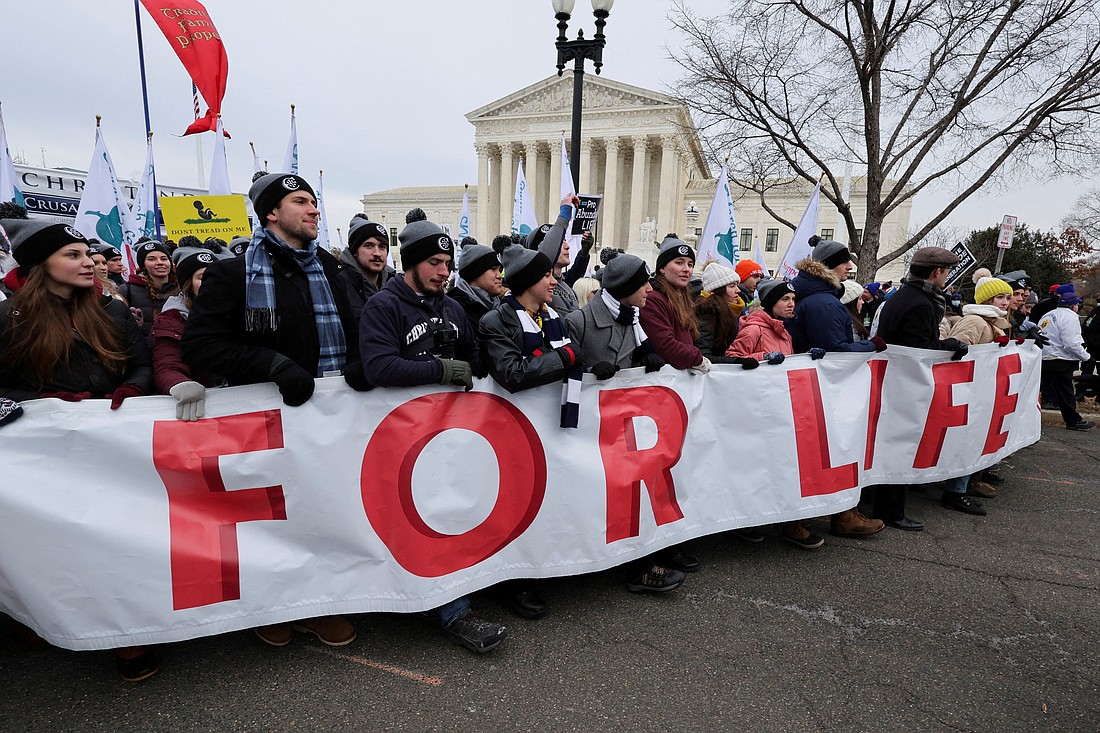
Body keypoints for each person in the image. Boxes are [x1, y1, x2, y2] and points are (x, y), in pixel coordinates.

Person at [181, 172, 367, 648]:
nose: (313, 210)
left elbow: (358, 330)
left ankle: (321, 605)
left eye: (315, 202)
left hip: (332, 421)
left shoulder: (335, 269)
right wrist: (271, 363)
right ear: (270, 213)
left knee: (327, 512)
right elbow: (201, 348)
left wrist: (360, 364)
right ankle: (270, 604)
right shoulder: (233, 273)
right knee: (274, 523)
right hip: (269, 422)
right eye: (301, 201)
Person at [0, 212, 156, 682]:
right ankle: (44, 620)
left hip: (114, 445)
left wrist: (132, 389)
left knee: (119, 537)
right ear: (39, 265)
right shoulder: (9, 318)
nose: (89, 262)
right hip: (49, 456)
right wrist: (42, 402)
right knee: (64, 545)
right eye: (73, 255)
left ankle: (130, 637)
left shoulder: (109, 310)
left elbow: (142, 365)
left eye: (87, 253)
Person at [358, 215, 509, 649]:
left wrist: (480, 364)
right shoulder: (384, 306)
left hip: (450, 436)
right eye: (436, 263)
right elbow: (378, 366)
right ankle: (452, 611)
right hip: (402, 440)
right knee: (424, 521)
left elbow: (473, 355)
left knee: (457, 513)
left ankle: (461, 594)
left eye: (448, 263)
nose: (445, 272)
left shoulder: (453, 306)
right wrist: (439, 369)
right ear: (412, 264)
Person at [563, 253, 687, 592]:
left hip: (625, 426)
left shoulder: (634, 319)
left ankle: (640, 565)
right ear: (625, 288)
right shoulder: (580, 322)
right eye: (643, 283)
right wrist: (587, 372)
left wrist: (644, 359)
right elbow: (563, 373)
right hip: (590, 431)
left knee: (634, 493)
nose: (649, 288)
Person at [787, 236, 886, 538]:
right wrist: (871, 346)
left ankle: (836, 512)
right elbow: (835, 351)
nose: (850, 267)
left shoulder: (818, 298)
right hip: (824, 388)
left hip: (816, 387)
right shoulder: (823, 302)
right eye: (845, 261)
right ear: (830, 266)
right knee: (831, 450)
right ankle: (833, 516)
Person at [874, 246, 982, 520]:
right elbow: (921, 348)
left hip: (895, 379)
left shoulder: (902, 297)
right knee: (902, 443)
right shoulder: (921, 303)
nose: (947, 278)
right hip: (906, 383)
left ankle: (888, 505)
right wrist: (949, 344)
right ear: (937, 272)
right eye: (946, 272)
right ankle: (891, 511)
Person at [727, 278, 826, 550]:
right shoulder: (754, 329)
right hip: (758, 408)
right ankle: (748, 522)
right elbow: (732, 359)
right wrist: (762, 358)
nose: (791, 304)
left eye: (793, 300)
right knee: (760, 465)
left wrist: (807, 358)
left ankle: (789, 523)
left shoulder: (785, 331)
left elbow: (787, 363)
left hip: (779, 407)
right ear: (771, 303)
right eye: (785, 300)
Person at [946, 275, 1017, 501]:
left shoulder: (997, 323)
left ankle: (971, 481)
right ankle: (956, 490)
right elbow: (954, 351)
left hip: (985, 390)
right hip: (970, 391)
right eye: (999, 297)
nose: (1005, 302)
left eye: (1007, 297)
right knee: (967, 439)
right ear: (986, 300)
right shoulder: (975, 322)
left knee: (979, 438)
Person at [152, 245, 233, 421]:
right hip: (205, 410)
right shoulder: (174, 318)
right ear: (188, 285)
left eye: (215, 276)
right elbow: (167, 363)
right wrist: (180, 383)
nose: (211, 282)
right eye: (202, 277)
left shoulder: (238, 312)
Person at [524, 195, 594, 315]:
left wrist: (584, 253)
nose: (567, 246)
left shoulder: (564, 284)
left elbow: (576, 273)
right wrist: (565, 213)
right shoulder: (536, 281)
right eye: (560, 243)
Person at [1037, 284, 1093, 430]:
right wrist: (1086, 357)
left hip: (1044, 357)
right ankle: (1073, 421)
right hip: (1061, 359)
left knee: (1038, 388)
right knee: (1065, 393)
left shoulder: (1048, 315)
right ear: (1073, 305)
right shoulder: (1070, 317)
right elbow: (1071, 343)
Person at [118, 240, 180, 342]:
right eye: (152, 259)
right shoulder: (127, 290)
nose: (160, 262)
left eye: (164, 259)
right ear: (143, 265)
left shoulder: (182, 289)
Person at [338, 215, 395, 319]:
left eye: (382, 247)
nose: (377, 253)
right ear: (355, 251)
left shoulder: (395, 285)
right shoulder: (338, 285)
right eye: (369, 246)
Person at [448, 243, 503, 333]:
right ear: (475, 272)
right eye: (493, 269)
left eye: (499, 270)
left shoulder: (500, 307)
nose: (499, 276)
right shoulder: (454, 308)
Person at [694, 262, 742, 359]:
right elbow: (704, 355)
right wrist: (736, 361)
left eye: (737, 285)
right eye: (732, 286)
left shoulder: (730, 310)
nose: (738, 290)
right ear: (718, 289)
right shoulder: (708, 312)